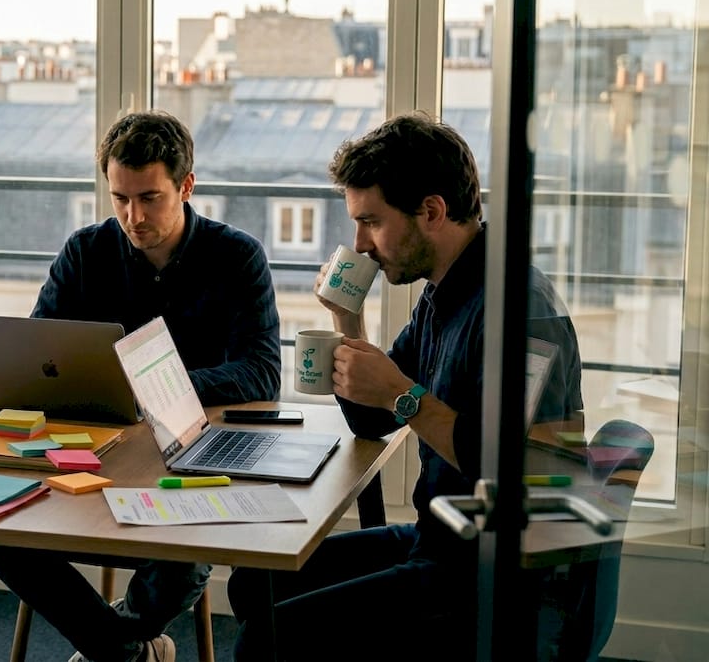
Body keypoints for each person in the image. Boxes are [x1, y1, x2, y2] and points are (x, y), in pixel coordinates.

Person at [226, 112, 583, 660]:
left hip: (486, 574)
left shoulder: (519, 310)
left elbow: (510, 470)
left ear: (432, 211)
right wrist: (348, 321)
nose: (360, 244)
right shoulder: (443, 292)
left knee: (264, 639)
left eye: (370, 221)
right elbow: (375, 417)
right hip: (435, 536)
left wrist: (403, 395)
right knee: (253, 583)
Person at [0, 110, 283, 662]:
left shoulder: (237, 256)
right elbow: (38, 357)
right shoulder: (85, 251)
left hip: (191, 455)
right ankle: (127, 652)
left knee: (181, 557)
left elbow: (261, 371)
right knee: (3, 538)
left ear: (186, 186)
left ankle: (114, 645)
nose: (132, 215)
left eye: (149, 198)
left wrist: (156, 388)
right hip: (95, 451)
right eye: (120, 198)